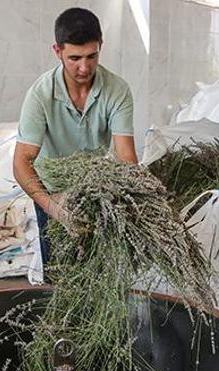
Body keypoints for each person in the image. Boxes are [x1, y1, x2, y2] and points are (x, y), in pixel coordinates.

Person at [13, 7, 138, 263]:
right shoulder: (40, 95)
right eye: (74, 58)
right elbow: (21, 162)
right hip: (51, 191)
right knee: (60, 270)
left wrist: (131, 201)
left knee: (99, 267)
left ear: (101, 45)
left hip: (96, 190)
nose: (84, 67)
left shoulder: (117, 90)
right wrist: (54, 207)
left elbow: (126, 157)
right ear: (57, 51)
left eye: (92, 56)